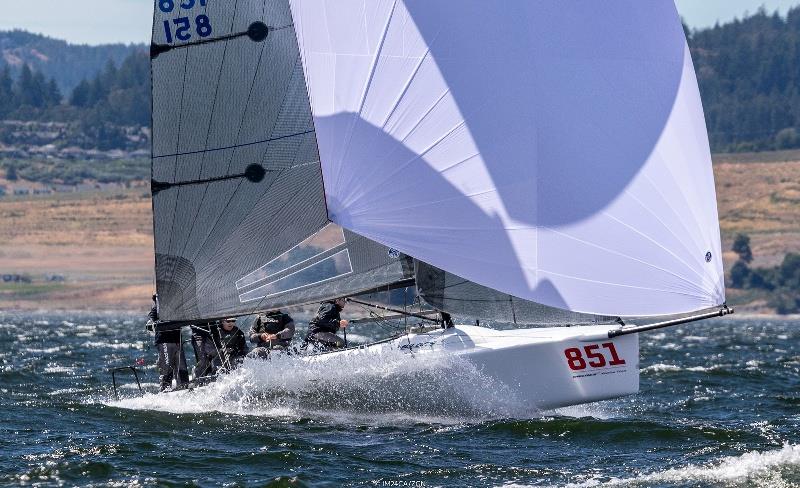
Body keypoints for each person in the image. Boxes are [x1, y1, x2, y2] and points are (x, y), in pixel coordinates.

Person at [148, 294, 188, 392]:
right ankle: (164, 389)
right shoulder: (156, 310)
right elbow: (151, 320)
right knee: (166, 367)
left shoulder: (177, 309)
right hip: (164, 342)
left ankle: (184, 387)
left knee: (182, 367)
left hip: (177, 341)